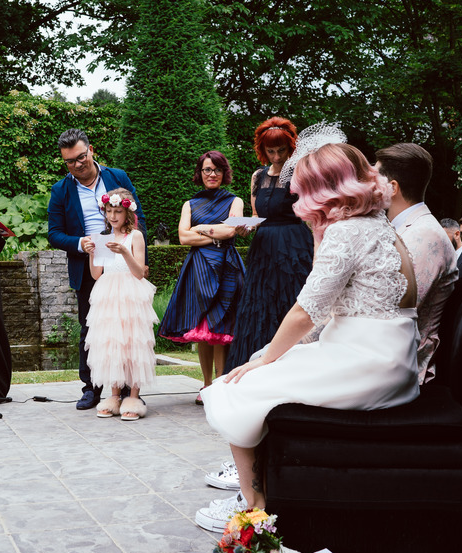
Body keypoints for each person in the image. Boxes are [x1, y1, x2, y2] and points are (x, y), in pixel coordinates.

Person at [195, 131, 420, 532]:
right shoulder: (379, 225)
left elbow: (305, 312)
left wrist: (268, 358)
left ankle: (253, 506)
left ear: (322, 190)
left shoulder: (347, 231)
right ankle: (268, 487)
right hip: (392, 358)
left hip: (367, 362)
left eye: (304, 190)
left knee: (232, 385)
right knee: (260, 364)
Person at [48, 129, 147, 410]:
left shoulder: (118, 176)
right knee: (91, 329)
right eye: (70, 161)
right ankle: (91, 388)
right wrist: (80, 243)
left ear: (91, 150)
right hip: (89, 261)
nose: (77, 164)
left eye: (81, 157)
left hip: (124, 258)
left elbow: (139, 218)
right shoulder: (60, 190)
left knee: (126, 328)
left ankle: (128, 391)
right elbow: (54, 233)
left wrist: (140, 258)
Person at [224, 117, 313, 373]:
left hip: (294, 246)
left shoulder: (301, 174)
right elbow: (256, 216)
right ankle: (254, 369)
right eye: (270, 151)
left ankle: (292, 369)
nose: (276, 156)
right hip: (263, 248)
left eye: (281, 150)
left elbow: (310, 213)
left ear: (290, 147)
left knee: (290, 301)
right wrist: (246, 227)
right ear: (262, 150)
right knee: (260, 305)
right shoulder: (257, 176)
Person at [158, 152, 245, 405]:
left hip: (227, 267)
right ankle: (206, 385)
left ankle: (221, 384)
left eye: (217, 170)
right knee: (204, 329)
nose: (212, 174)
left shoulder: (235, 201)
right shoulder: (190, 204)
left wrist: (199, 229)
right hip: (199, 269)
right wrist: (216, 232)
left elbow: (231, 231)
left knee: (222, 326)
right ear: (200, 172)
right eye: (207, 169)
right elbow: (183, 238)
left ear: (224, 173)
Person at [375, 143, 457, 383]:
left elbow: (395, 309)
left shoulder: (425, 236)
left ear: (392, 188)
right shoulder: (400, 228)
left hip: (401, 361)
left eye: (374, 179)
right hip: (379, 345)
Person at [85, 189, 158, 421]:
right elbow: (96, 274)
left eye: (117, 211)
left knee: (133, 342)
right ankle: (114, 396)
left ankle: (133, 397)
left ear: (127, 213)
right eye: (109, 211)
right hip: (108, 294)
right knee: (112, 343)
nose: (113, 216)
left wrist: (125, 252)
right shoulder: (103, 238)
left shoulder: (135, 236)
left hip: (130, 293)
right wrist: (92, 253)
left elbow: (139, 273)